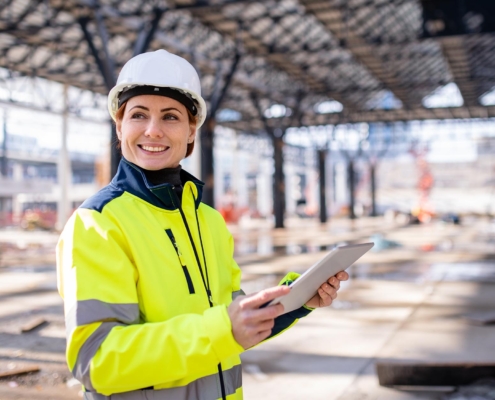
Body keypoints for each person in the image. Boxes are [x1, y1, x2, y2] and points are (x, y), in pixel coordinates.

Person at [56, 49, 349, 400]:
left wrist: (295, 300)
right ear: (119, 127)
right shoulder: (97, 224)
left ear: (191, 130)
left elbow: (233, 319)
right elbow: (98, 361)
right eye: (138, 115)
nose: (153, 130)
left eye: (170, 117)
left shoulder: (209, 221)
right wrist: (223, 329)